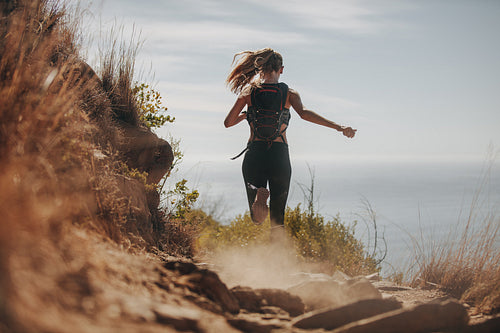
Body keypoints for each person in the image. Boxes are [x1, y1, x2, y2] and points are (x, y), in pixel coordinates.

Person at [224, 48, 356, 241]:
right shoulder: (289, 93)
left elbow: (228, 122)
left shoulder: (248, 92)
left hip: (255, 153)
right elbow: (305, 114)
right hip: (279, 155)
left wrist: (248, 115)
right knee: (278, 218)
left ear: (260, 68)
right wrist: (338, 127)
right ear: (281, 69)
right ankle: (277, 263)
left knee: (257, 218)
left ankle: (258, 193)